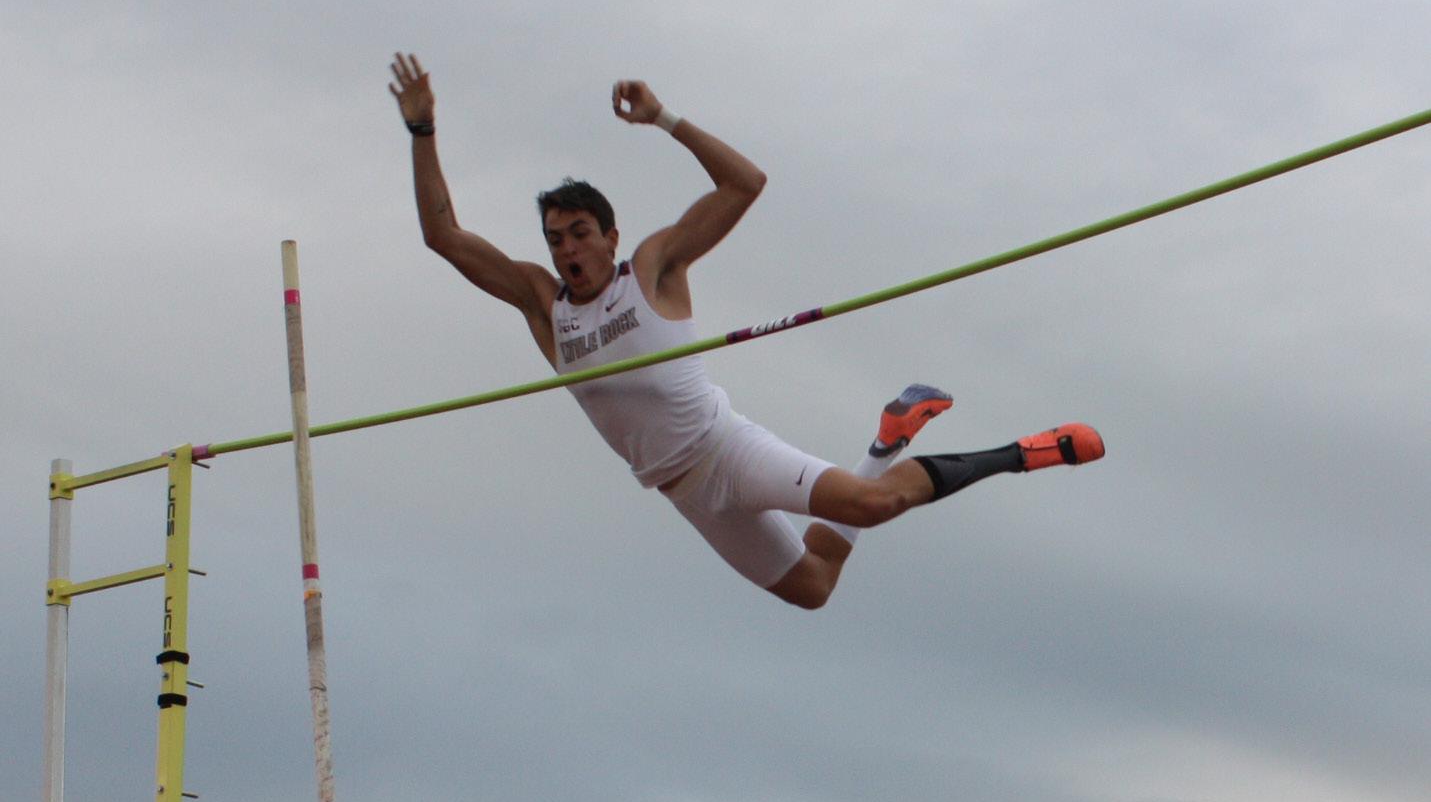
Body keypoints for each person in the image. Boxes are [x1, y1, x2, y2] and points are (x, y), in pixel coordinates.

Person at [388, 52, 1104, 609]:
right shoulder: (544, 306)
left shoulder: (651, 268)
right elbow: (443, 235)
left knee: (874, 505)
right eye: (555, 239)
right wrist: (423, 131)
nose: (567, 250)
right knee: (813, 588)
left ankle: (1020, 453)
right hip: (684, 493)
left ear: (610, 236)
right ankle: (884, 445)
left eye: (579, 233)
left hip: (726, 450)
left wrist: (663, 118)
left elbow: (745, 183)